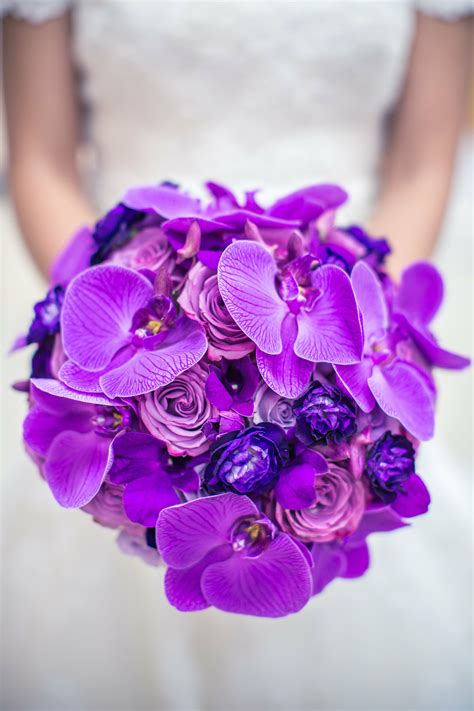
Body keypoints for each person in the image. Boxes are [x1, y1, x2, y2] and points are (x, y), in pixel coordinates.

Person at [2, 2, 473, 710]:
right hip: (133, 298)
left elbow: (419, 169)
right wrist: (117, 364)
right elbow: (40, 162)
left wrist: (342, 355)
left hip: (343, 331)